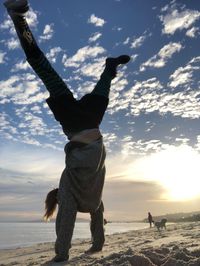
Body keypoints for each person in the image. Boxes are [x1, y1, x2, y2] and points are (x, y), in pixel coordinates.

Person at [4, 0, 130, 262]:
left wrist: (62, 256)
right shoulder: (85, 195)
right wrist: (96, 245)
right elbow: (82, 214)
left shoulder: (72, 190)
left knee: (46, 70)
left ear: (58, 197)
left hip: (83, 127)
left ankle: (17, 18)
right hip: (86, 126)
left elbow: (66, 219)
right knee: (88, 85)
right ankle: (109, 67)